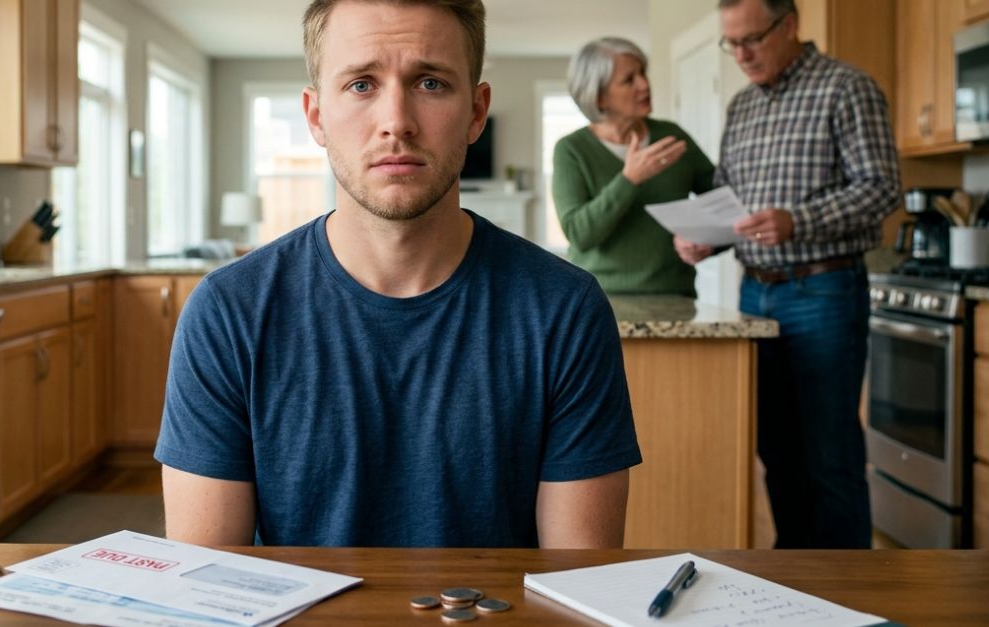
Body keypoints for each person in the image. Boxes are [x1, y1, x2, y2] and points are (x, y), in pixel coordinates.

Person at [155, 0, 641, 548]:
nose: (396, 123)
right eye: (361, 84)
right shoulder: (228, 313)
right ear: (315, 116)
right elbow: (209, 586)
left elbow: (573, 581)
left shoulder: (564, 311)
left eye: (430, 83)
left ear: (477, 112)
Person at [678, 0, 900, 548]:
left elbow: (881, 187)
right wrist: (706, 238)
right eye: (732, 44)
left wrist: (798, 221)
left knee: (829, 453)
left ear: (790, 25)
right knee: (775, 449)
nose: (742, 54)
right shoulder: (742, 107)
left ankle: (849, 589)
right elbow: (732, 200)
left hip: (823, 290)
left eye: (752, 39)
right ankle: (797, 577)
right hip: (756, 292)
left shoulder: (847, 87)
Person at [552, 37, 715, 296]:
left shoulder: (671, 136)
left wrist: (706, 241)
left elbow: (722, 201)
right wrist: (629, 179)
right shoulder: (571, 150)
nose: (644, 84)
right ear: (599, 96)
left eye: (643, 73)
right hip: (598, 301)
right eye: (629, 79)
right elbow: (579, 234)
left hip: (675, 297)